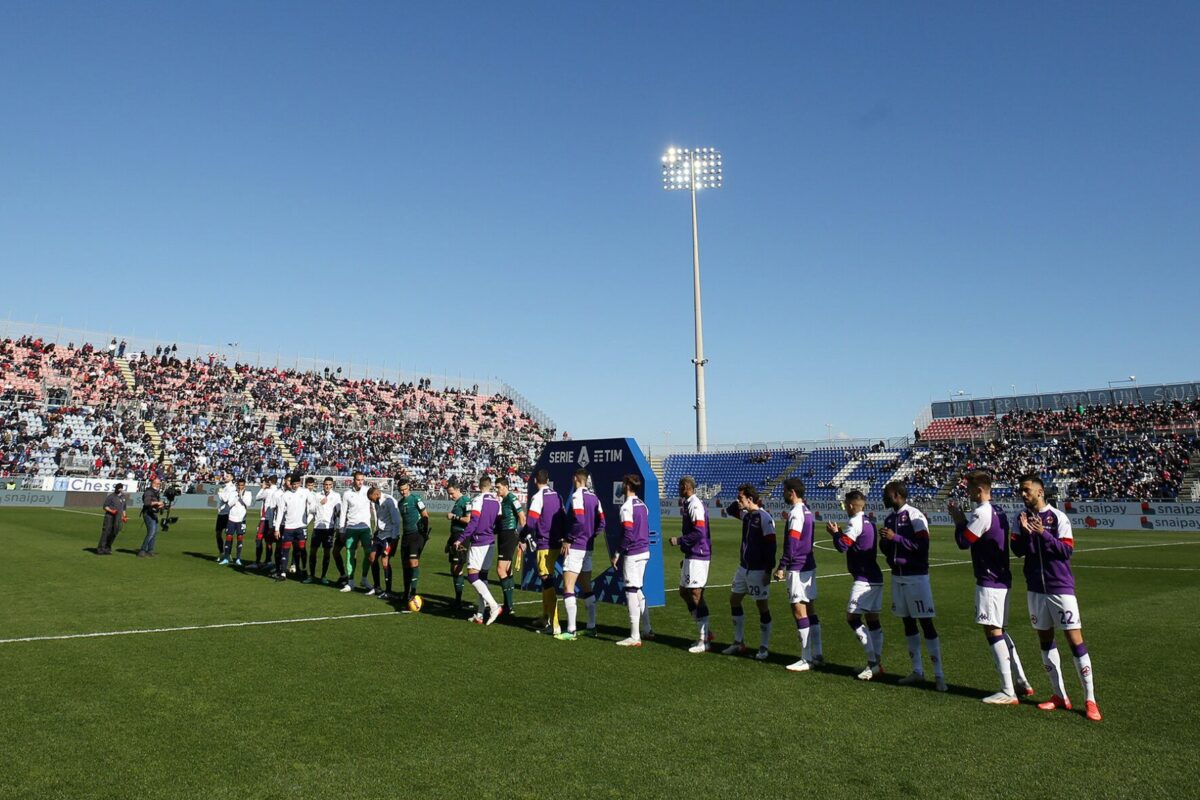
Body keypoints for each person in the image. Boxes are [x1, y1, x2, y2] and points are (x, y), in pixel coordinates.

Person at [1014, 474, 1102, 721]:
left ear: (1040, 492)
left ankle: (1090, 699)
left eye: (1027, 490)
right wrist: (1025, 534)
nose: (1023, 494)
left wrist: (1043, 533)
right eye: (1021, 491)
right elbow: (1017, 551)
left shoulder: (1058, 517)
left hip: (1060, 588)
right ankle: (1059, 694)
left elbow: (1066, 551)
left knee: (1075, 641)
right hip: (1035, 588)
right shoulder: (1019, 518)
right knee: (1045, 639)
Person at [949, 470, 1033, 705]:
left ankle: (1008, 690)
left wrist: (958, 519)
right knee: (999, 629)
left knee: (993, 630)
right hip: (1001, 577)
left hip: (990, 579)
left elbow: (963, 541)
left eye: (969, 488)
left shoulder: (982, 512)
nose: (967, 492)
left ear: (979, 490)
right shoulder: (998, 510)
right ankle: (1021, 681)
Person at [880, 481, 945, 689]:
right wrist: (886, 543)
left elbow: (922, 547)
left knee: (926, 623)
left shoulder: (915, 515)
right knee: (907, 623)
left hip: (916, 577)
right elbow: (889, 549)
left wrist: (895, 538)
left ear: (897, 495)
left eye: (886, 494)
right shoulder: (890, 518)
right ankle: (917, 671)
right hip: (897, 577)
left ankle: (939, 675)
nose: (883, 497)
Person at [827, 490, 886, 681]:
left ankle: (873, 663)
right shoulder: (870, 522)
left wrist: (835, 533)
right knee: (873, 620)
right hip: (874, 577)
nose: (845, 508)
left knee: (852, 617)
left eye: (846, 504)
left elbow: (842, 546)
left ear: (852, 505)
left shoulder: (855, 522)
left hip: (864, 579)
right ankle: (876, 663)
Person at [773, 478, 824, 672]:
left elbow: (792, 543)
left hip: (797, 567)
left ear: (792, 492)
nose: (783, 494)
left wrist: (782, 566)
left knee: (799, 610)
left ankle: (806, 658)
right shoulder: (807, 510)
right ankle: (817, 654)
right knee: (810, 610)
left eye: (785, 491)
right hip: (808, 565)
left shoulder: (795, 513)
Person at [721, 485, 776, 661]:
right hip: (743, 568)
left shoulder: (764, 518)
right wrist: (739, 499)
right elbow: (730, 510)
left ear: (750, 499)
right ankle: (738, 642)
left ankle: (764, 646)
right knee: (734, 600)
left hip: (758, 570)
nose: (738, 501)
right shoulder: (747, 516)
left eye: (741, 498)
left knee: (762, 606)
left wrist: (768, 570)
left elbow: (771, 547)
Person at [555, 468, 605, 641]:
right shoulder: (594, 497)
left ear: (576, 478)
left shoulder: (577, 496)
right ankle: (591, 626)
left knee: (568, 587)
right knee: (586, 587)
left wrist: (569, 539)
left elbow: (580, 520)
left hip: (576, 547)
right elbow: (602, 522)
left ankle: (571, 630)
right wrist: (591, 535)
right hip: (588, 547)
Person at [668, 475, 712, 654]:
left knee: (695, 594)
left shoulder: (694, 505)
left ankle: (704, 640)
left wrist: (679, 541)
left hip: (699, 554)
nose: (678, 488)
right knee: (684, 592)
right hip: (691, 554)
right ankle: (706, 632)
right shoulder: (688, 504)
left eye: (680, 485)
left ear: (686, 486)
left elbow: (699, 532)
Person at [451, 475, 503, 625]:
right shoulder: (497, 501)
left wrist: (461, 539)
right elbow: (499, 523)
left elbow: (473, 522)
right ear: (490, 486)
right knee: (482, 577)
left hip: (479, 542)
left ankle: (494, 606)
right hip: (490, 541)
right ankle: (480, 614)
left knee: (473, 576)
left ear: (479, 486)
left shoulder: (478, 500)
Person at [612, 474, 654, 647]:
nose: (621, 486)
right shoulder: (642, 505)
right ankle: (647, 628)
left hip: (633, 552)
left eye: (623, 483)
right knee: (637, 590)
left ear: (628, 486)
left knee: (630, 590)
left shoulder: (626, 507)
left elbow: (628, 534)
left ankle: (635, 636)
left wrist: (617, 553)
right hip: (644, 551)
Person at [524, 469, 564, 635]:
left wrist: (522, 536)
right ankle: (546, 617)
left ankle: (554, 625)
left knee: (547, 580)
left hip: (544, 543)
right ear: (548, 480)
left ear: (535, 481)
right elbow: (563, 518)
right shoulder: (557, 495)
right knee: (547, 578)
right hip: (556, 542)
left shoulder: (538, 497)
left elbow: (531, 523)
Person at [494, 476, 526, 617]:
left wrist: (522, 538)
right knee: (507, 570)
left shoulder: (512, 498)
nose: (497, 490)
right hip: (504, 535)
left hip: (509, 535)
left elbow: (522, 517)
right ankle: (509, 606)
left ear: (506, 486)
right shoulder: (504, 500)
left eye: (499, 487)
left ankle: (508, 605)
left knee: (500, 569)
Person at [338, 472, 374, 592]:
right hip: (351, 528)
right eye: (358, 480)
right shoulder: (347, 494)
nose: (360, 482)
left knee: (369, 553)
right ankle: (350, 582)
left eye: (362, 480)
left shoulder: (368, 491)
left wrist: (376, 527)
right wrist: (341, 529)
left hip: (365, 528)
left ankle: (364, 578)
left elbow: (374, 509)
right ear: (353, 480)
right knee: (350, 554)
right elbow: (343, 512)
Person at [397, 478, 430, 604]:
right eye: (401, 490)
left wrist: (424, 531)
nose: (403, 492)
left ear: (409, 487)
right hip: (406, 536)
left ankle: (413, 592)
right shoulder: (400, 503)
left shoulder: (416, 499)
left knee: (413, 562)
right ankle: (406, 592)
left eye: (405, 489)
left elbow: (425, 515)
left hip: (416, 535)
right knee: (405, 565)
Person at [305, 477, 344, 584]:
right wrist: (319, 504)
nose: (327, 486)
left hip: (329, 528)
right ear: (323, 485)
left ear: (332, 485)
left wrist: (338, 525)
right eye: (326, 484)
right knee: (313, 551)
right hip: (317, 527)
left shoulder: (336, 496)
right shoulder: (317, 495)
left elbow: (339, 511)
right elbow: (311, 509)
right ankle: (311, 575)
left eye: (329, 485)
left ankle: (323, 576)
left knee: (327, 553)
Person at [273, 474, 310, 582]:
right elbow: (280, 513)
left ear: (300, 483)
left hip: (301, 527)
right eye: (293, 484)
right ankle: (283, 573)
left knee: (302, 549)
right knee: (285, 550)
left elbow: (312, 504)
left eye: (297, 484)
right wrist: (276, 529)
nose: (295, 486)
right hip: (288, 527)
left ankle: (303, 569)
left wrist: (307, 519)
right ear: (290, 484)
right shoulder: (285, 495)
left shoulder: (305, 492)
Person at [368, 486, 401, 599]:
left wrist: (394, 538)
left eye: (371, 499)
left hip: (389, 536)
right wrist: (376, 531)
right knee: (372, 558)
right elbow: (380, 519)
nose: (371, 501)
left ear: (376, 494)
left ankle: (388, 591)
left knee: (385, 561)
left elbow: (396, 521)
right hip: (379, 534)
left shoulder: (389, 501)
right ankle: (377, 587)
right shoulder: (376, 502)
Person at [445, 482, 472, 611]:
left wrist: (454, 516)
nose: (450, 496)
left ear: (458, 490)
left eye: (452, 493)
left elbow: (468, 519)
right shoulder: (458, 502)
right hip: (455, 537)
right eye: (449, 494)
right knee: (454, 568)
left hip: (462, 537)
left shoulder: (466, 501)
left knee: (457, 567)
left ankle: (459, 600)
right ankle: (458, 599)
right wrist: (449, 541)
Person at [218, 478, 253, 566]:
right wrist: (237, 496)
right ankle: (226, 558)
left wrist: (241, 496)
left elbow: (248, 504)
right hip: (232, 518)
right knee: (229, 536)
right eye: (239, 485)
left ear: (244, 485)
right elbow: (229, 503)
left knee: (240, 537)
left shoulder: (248, 493)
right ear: (237, 485)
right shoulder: (233, 493)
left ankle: (238, 558)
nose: (240, 487)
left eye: (242, 485)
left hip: (241, 519)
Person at [252, 476, 280, 570]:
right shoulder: (278, 491)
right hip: (274, 519)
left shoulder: (267, 491)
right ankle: (268, 561)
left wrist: (262, 488)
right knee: (269, 541)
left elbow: (257, 497)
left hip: (265, 518)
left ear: (270, 482)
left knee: (259, 539)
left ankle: (258, 562)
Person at [97, 483, 128, 555]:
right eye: (118, 488)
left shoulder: (123, 497)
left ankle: (108, 547)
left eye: (120, 488)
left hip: (118, 518)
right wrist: (111, 511)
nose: (119, 490)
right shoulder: (111, 496)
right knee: (106, 532)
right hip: (110, 517)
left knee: (115, 532)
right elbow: (105, 506)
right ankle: (101, 548)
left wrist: (124, 516)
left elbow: (124, 508)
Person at [137, 478, 164, 557]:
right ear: (154, 483)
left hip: (153, 513)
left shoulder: (155, 492)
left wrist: (161, 506)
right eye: (158, 483)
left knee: (154, 533)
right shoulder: (149, 492)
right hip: (148, 513)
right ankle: (142, 550)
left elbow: (154, 504)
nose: (159, 485)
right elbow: (147, 502)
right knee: (151, 532)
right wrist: (157, 503)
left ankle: (150, 550)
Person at [215, 471, 235, 558]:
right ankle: (221, 552)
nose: (225, 477)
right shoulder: (224, 487)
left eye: (227, 476)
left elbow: (225, 499)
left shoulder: (232, 488)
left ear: (231, 478)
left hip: (228, 513)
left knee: (228, 534)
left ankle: (228, 553)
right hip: (221, 513)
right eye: (225, 476)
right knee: (218, 533)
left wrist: (220, 492)